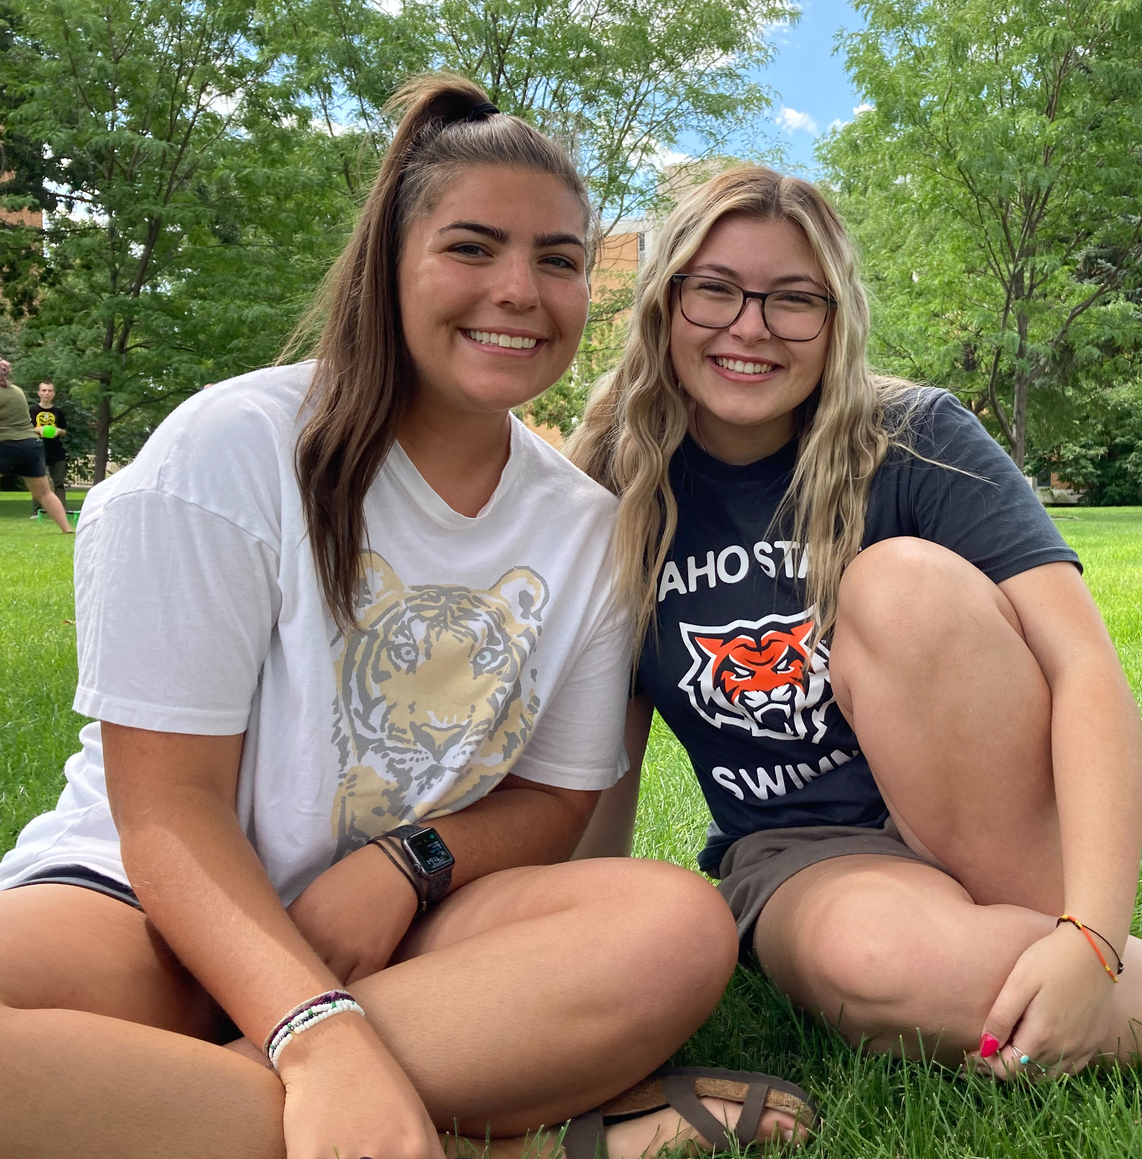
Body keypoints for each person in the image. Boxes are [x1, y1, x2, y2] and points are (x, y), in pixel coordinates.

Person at [0, 84, 815, 1159]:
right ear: (391, 264)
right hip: (145, 909)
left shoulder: (587, 529)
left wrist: (406, 862)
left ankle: (161, 1110)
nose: (520, 291)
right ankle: (480, 1133)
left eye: (560, 261)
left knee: (671, 925)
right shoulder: (225, 456)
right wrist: (316, 1033)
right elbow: (165, 816)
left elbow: (556, 797)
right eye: (472, 248)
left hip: (414, 936)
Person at [569, 165, 1142, 1080]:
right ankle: (1045, 974)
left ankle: (1061, 956)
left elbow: (1084, 668)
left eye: (794, 299)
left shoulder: (914, 435)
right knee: (875, 964)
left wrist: (1095, 933)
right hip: (802, 852)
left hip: (989, 814)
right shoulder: (615, 481)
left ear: (838, 318)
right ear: (665, 302)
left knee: (897, 583)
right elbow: (603, 750)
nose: (751, 326)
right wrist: (584, 955)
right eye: (714, 290)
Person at [0, 359, 73, 534]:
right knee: (45, 493)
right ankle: (67, 529)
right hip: (30, 446)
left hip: (5, 445)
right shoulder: (17, 391)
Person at [29, 380, 69, 518]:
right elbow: (26, 429)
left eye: (49, 391)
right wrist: (37, 429)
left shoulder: (58, 412)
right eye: (44, 390)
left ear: (53, 394)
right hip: (38, 450)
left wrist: (58, 431)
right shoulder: (32, 411)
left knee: (58, 482)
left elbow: (64, 430)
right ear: (39, 393)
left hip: (56, 451)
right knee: (38, 482)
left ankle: (61, 510)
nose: (47, 393)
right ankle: (37, 511)